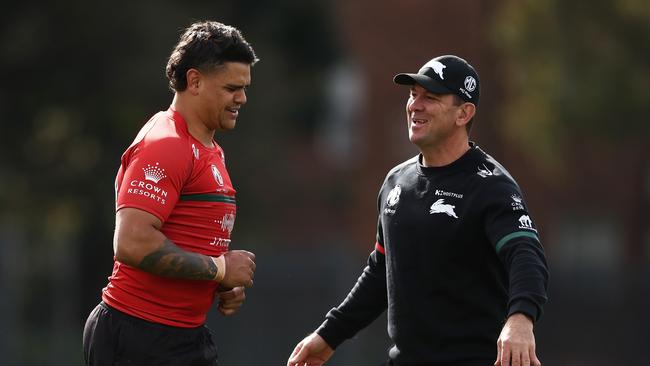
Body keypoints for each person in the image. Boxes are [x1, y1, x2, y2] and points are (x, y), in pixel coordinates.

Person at [287, 55, 549, 366]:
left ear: (464, 113)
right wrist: (329, 335)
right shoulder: (396, 182)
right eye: (413, 95)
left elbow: (525, 253)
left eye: (431, 97)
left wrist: (520, 320)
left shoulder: (491, 186)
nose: (415, 105)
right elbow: (381, 271)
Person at [83, 21, 259, 366]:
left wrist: (218, 285)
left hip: (182, 335)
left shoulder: (209, 148)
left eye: (244, 87)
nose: (242, 98)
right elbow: (132, 243)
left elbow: (186, 237)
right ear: (194, 81)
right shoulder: (166, 144)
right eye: (232, 88)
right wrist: (220, 269)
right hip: (138, 334)